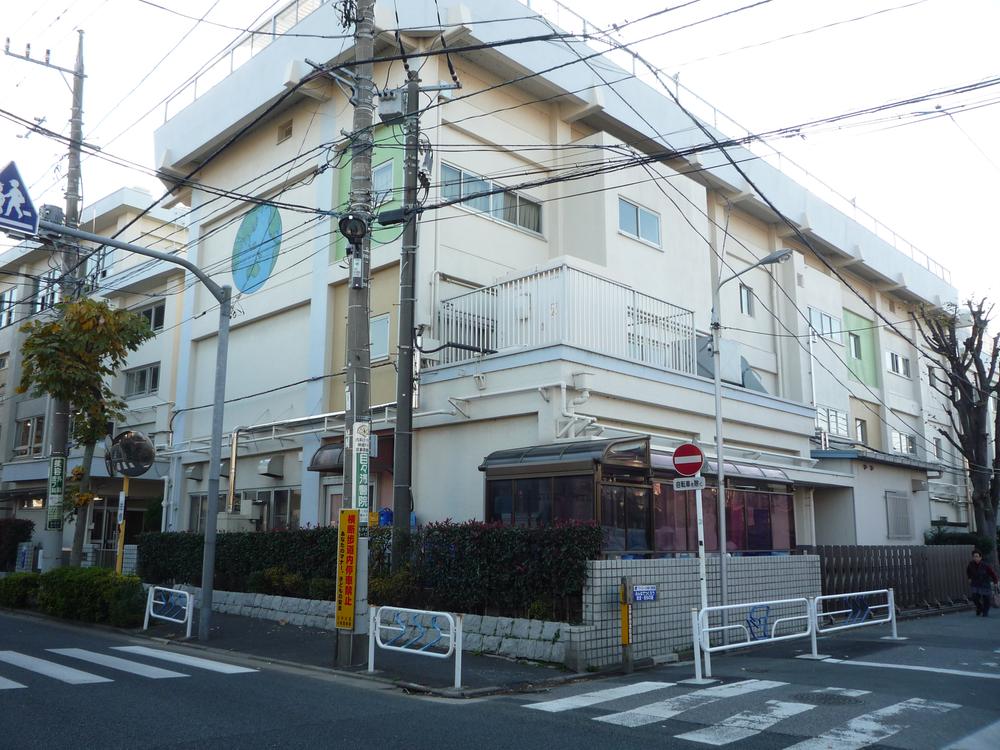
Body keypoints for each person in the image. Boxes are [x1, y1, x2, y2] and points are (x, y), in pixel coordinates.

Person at [966, 549, 999, 617]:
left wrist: (995, 581)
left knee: (986, 598)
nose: (975, 558)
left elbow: (992, 574)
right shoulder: (971, 564)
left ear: (980, 557)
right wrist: (969, 578)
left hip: (985, 584)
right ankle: (980, 608)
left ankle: (985, 611)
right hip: (975, 583)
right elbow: (968, 571)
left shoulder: (986, 565)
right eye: (974, 556)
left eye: (977, 556)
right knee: (975, 598)